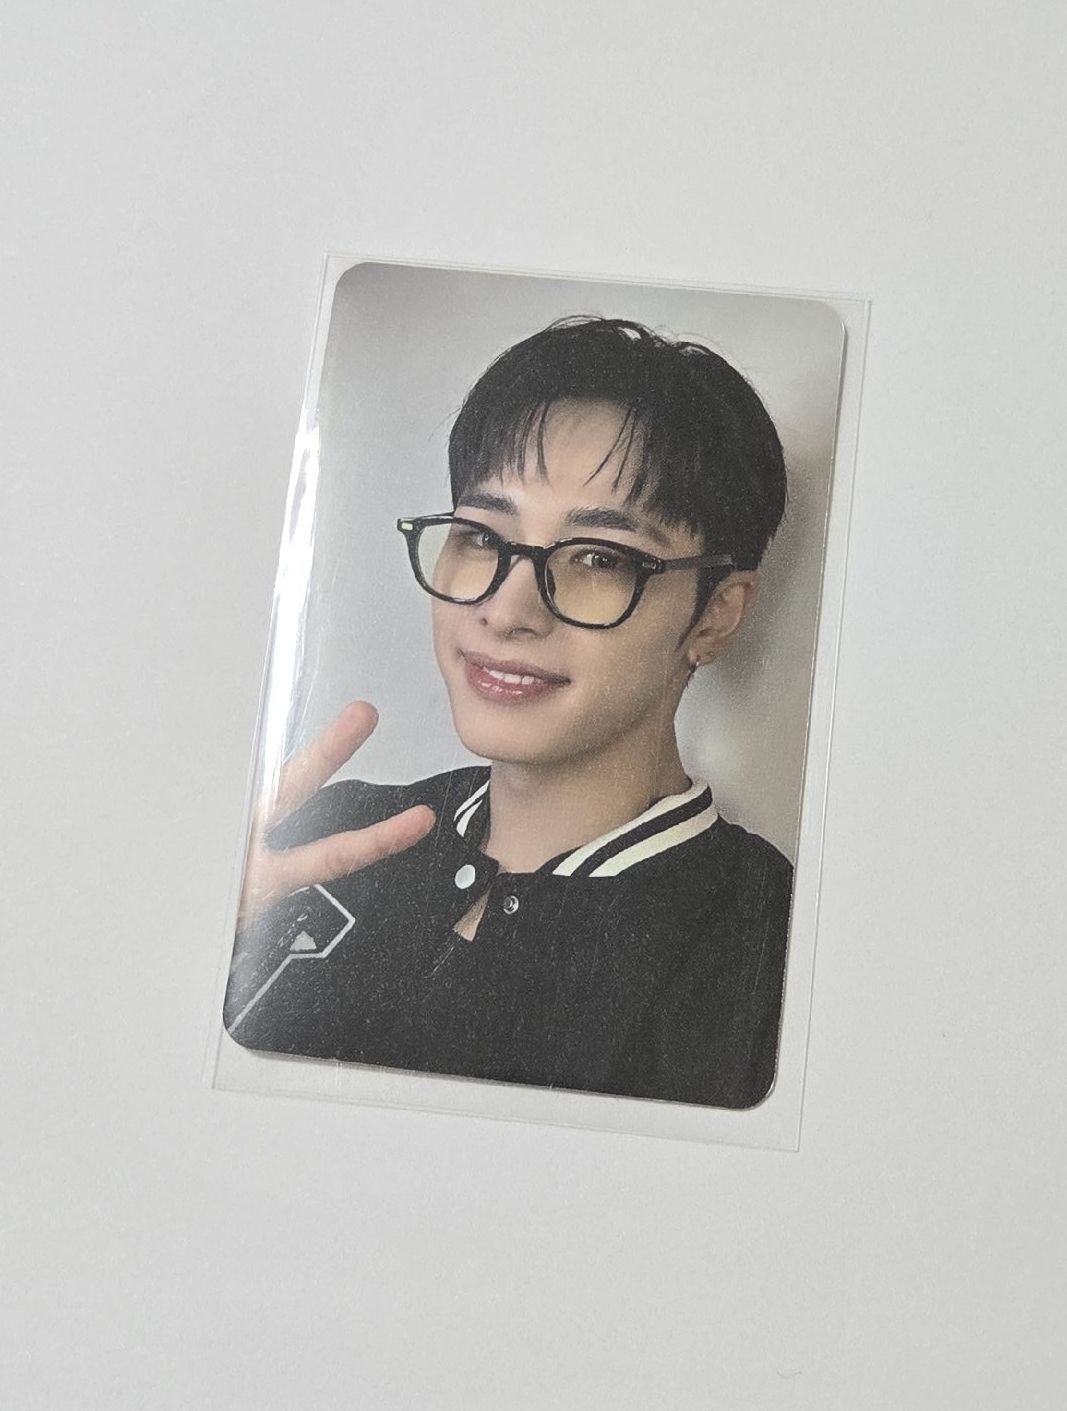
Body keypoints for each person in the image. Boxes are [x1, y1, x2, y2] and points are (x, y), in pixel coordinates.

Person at [224, 316, 793, 1109]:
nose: (506, 608)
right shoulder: (320, 835)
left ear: (716, 614)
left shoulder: (774, 942)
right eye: (481, 537)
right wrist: (196, 936)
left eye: (599, 557)